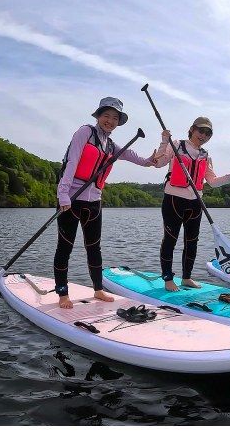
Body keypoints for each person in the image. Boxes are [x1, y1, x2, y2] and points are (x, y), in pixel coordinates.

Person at [54, 97, 164, 309]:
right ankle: (62, 293)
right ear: (98, 116)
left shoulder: (111, 144)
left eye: (115, 118)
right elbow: (72, 161)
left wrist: (149, 161)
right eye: (107, 116)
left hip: (94, 201)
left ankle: (98, 289)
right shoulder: (85, 132)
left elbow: (130, 155)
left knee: (94, 248)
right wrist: (63, 194)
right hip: (72, 199)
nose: (110, 121)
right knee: (64, 247)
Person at [153, 117, 230, 292]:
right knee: (170, 240)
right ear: (192, 129)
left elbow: (212, 181)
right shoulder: (176, 145)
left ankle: (187, 277)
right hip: (173, 200)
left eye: (207, 133)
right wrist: (163, 141)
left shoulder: (206, 155)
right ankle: (167, 278)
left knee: (192, 241)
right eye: (201, 131)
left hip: (196, 202)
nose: (203, 136)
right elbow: (158, 163)